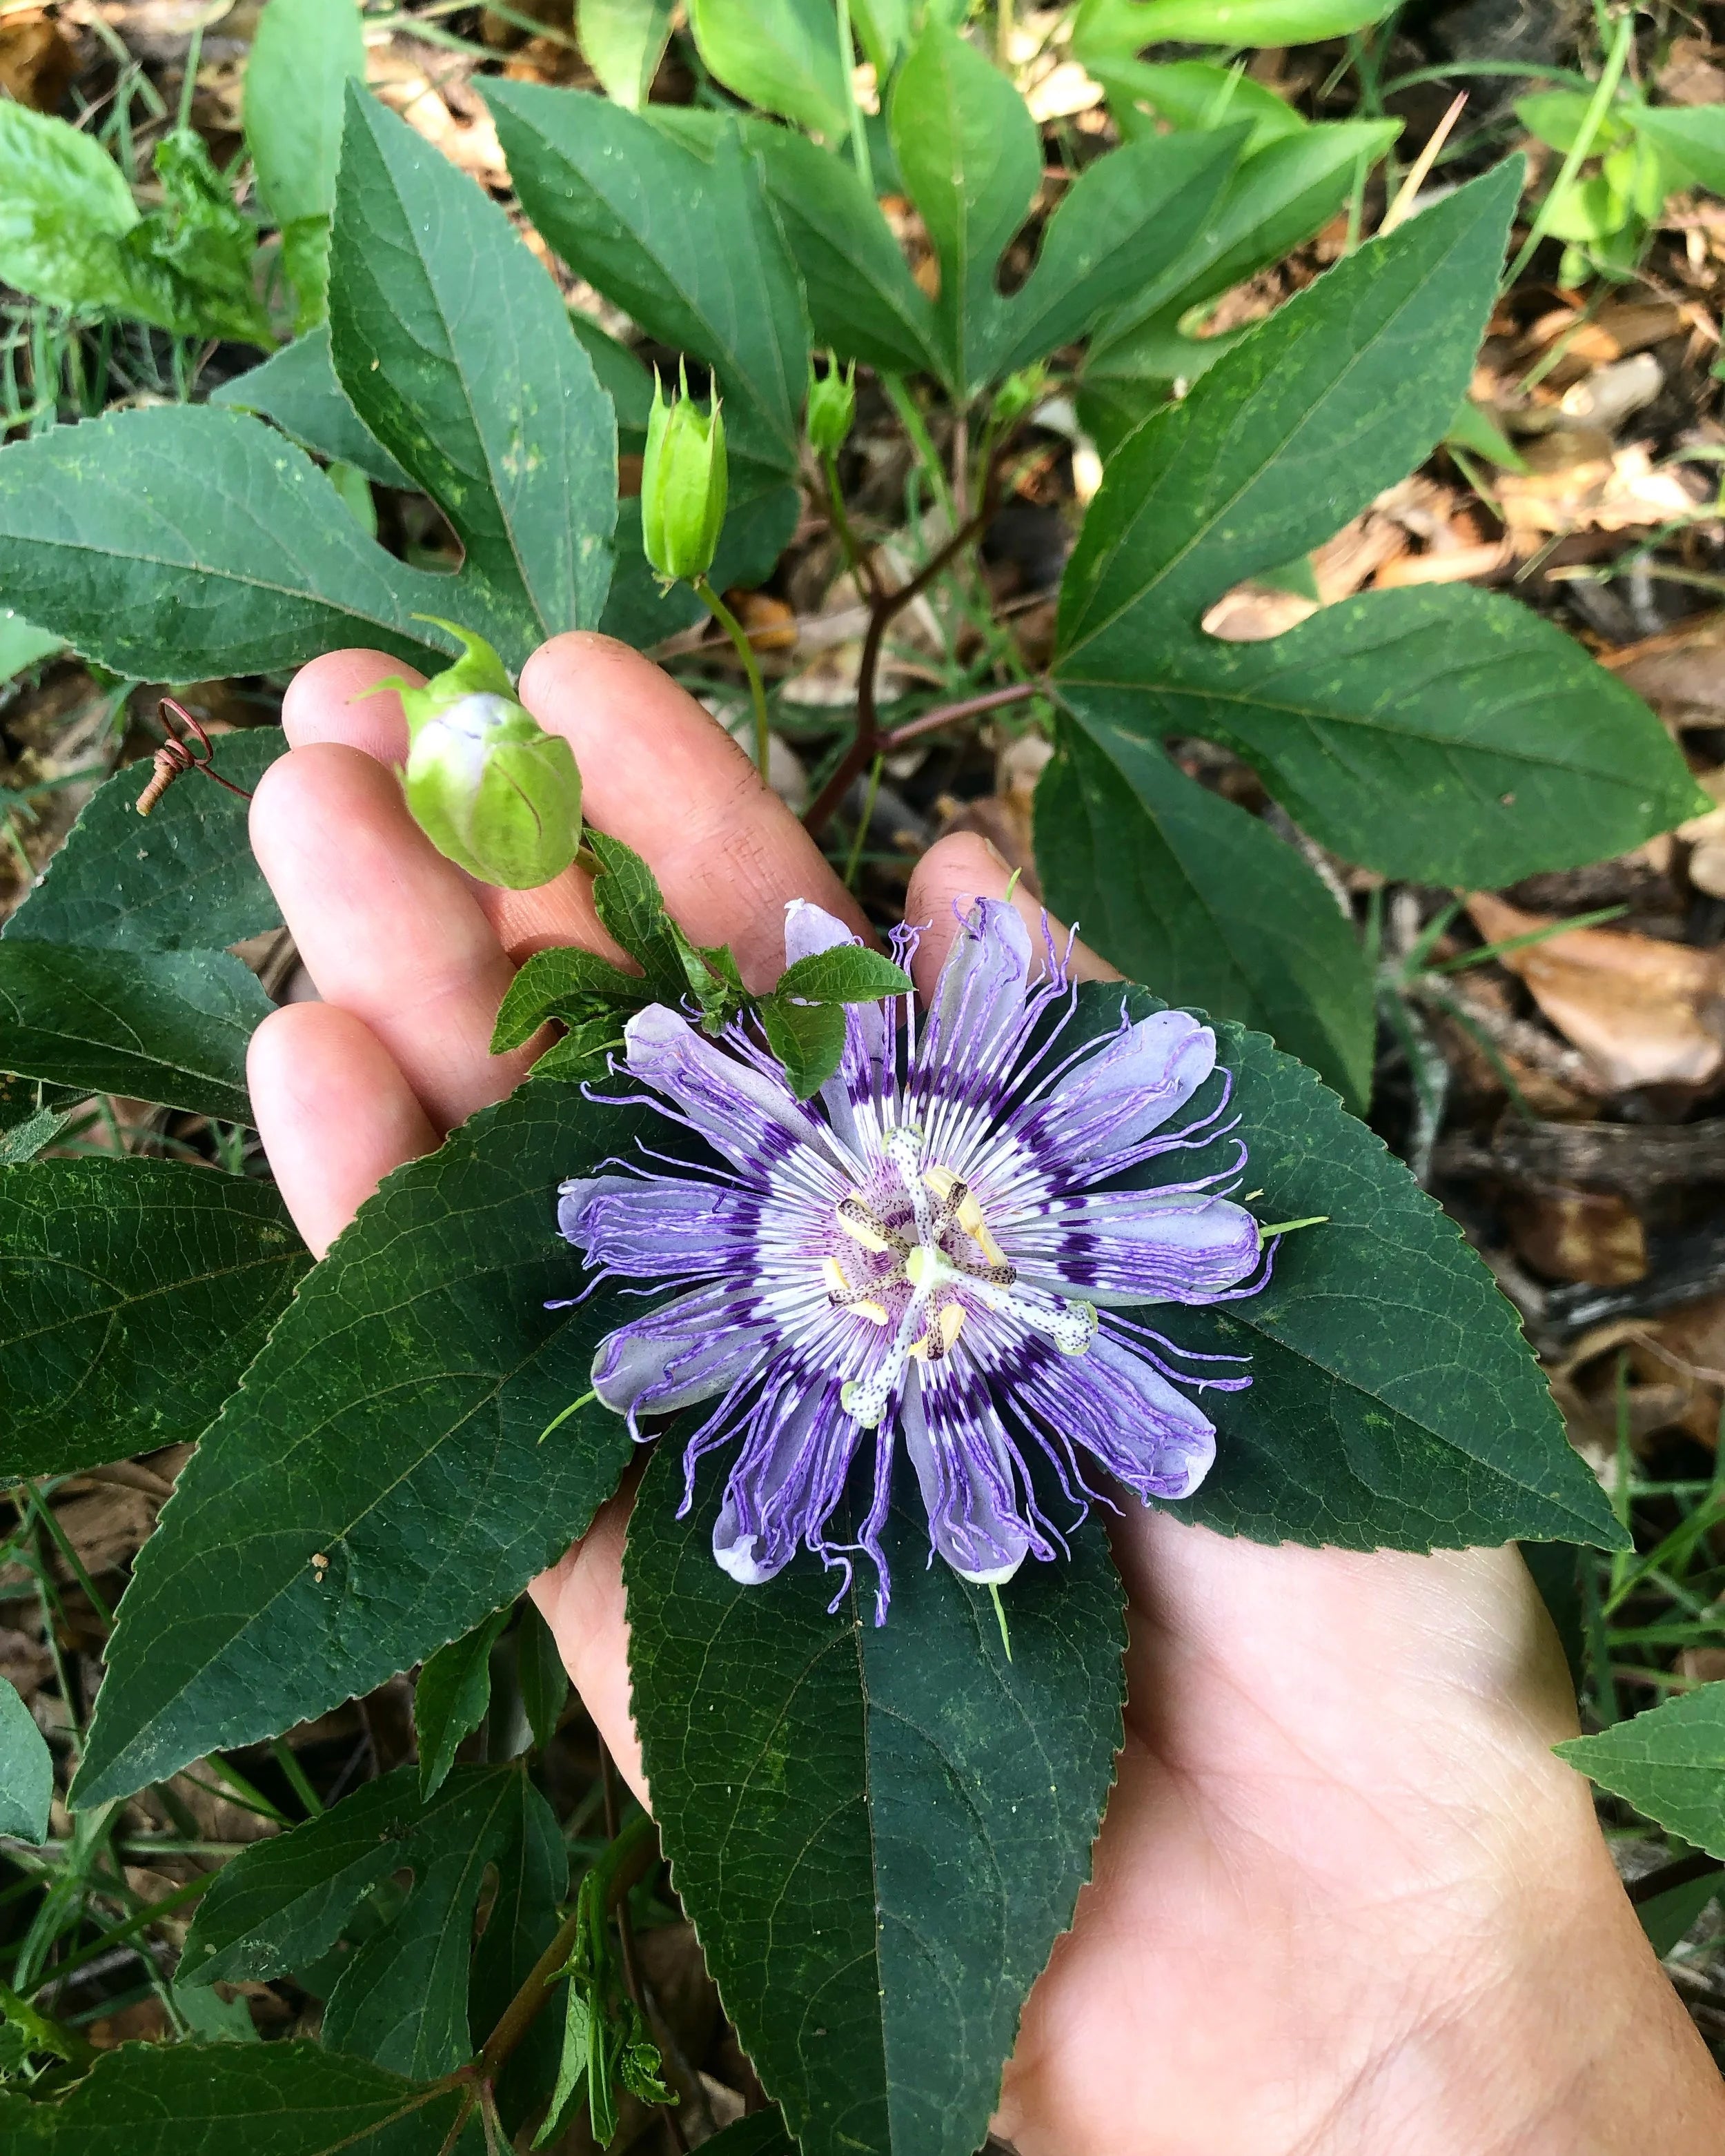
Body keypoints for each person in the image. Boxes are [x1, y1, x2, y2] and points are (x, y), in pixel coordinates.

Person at [247, 633, 1725, 2155]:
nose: (904, 1251)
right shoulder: (789, 1227)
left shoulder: (999, 1287)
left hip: (913, 1281)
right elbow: (695, 1241)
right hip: (912, 1277)